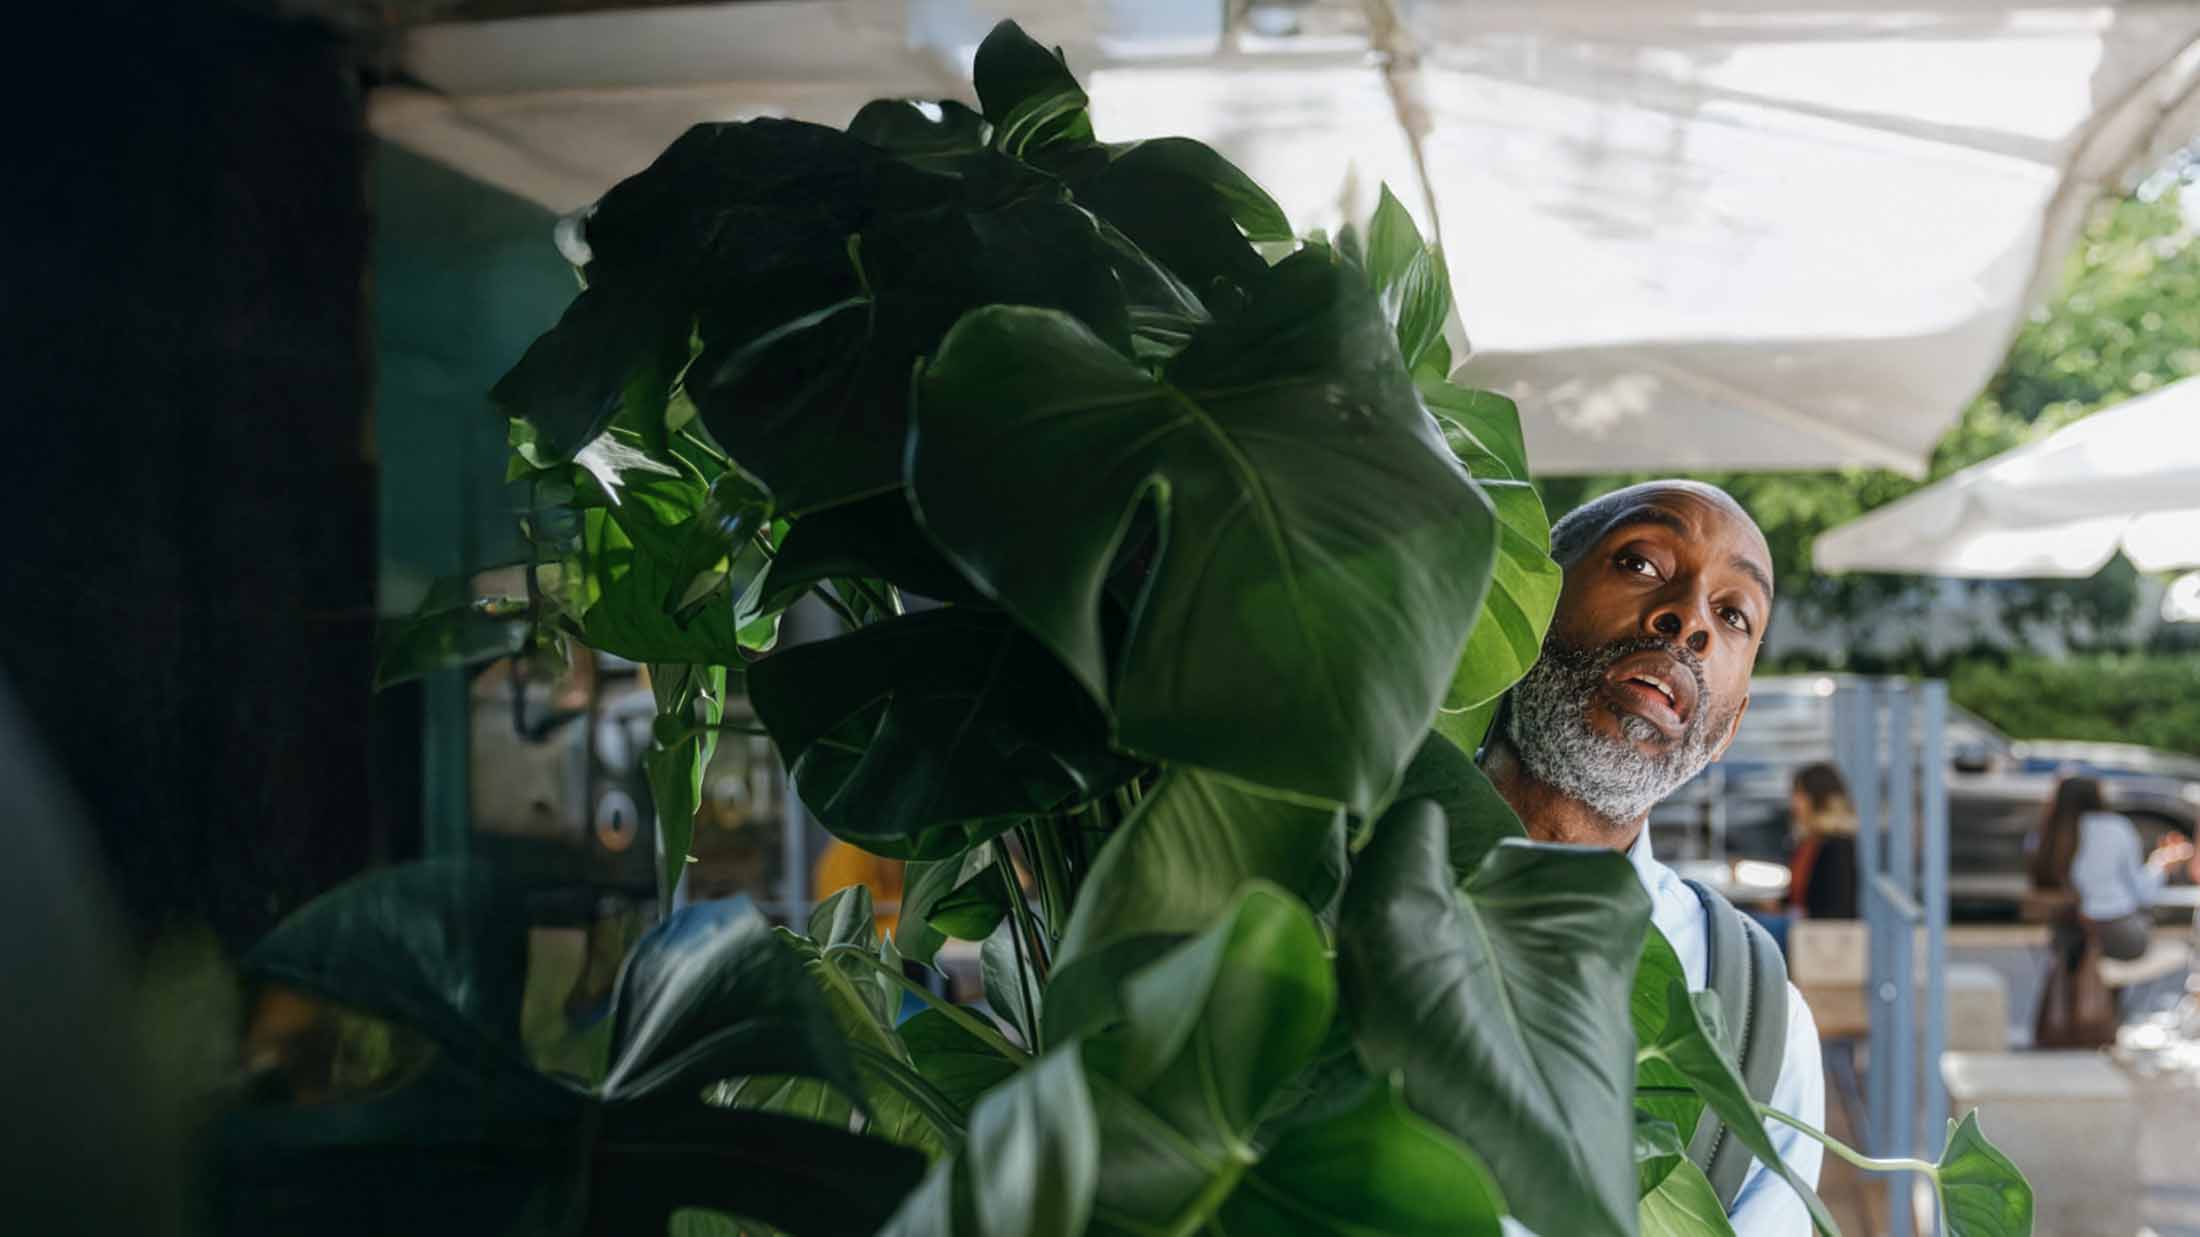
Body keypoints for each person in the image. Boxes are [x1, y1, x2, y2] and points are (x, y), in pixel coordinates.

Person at [1479, 479, 1823, 1235]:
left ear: (1728, 728)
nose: (1690, 620)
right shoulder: (1325, 880)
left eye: (1734, 614)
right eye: (1641, 563)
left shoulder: (1756, 1017)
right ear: (1526, 602)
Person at [2028, 774, 2192, 962]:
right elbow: (2142, 893)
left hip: (2066, 934)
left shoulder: (2044, 836)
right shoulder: (2115, 828)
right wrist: (2161, 863)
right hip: (2117, 934)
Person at [1788, 762, 1860, 921]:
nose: (1794, 803)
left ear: (1819, 799)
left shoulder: (1838, 846)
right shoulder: (1809, 842)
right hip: (1805, 929)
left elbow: (1837, 910)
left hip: (1816, 935)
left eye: (1800, 794)